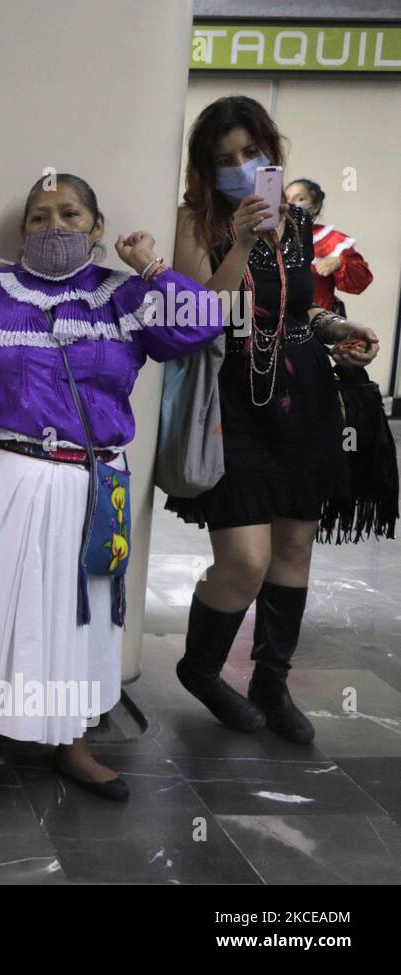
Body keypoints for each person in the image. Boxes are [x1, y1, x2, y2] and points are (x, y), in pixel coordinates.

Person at [0, 173, 224, 809]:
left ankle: (74, 746)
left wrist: (153, 267)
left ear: (97, 227)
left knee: (85, 615)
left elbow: (201, 326)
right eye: (39, 217)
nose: (54, 226)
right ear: (22, 231)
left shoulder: (128, 297)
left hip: (94, 484)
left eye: (70, 214)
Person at [167, 96, 379, 744]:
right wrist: (241, 240)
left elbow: (297, 308)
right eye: (224, 158)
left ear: (270, 153)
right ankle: (201, 669)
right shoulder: (193, 220)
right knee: (245, 559)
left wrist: (337, 327)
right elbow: (195, 312)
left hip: (302, 395)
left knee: (293, 547)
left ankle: (272, 680)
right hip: (230, 403)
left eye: (250, 154)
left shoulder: (297, 220)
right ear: (206, 166)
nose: (239, 166)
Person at [284, 178, 373, 317]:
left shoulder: (331, 240)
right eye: (286, 198)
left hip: (316, 325)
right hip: (273, 323)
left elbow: (360, 282)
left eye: (300, 198)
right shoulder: (269, 236)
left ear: (316, 205)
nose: (291, 204)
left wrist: (340, 262)